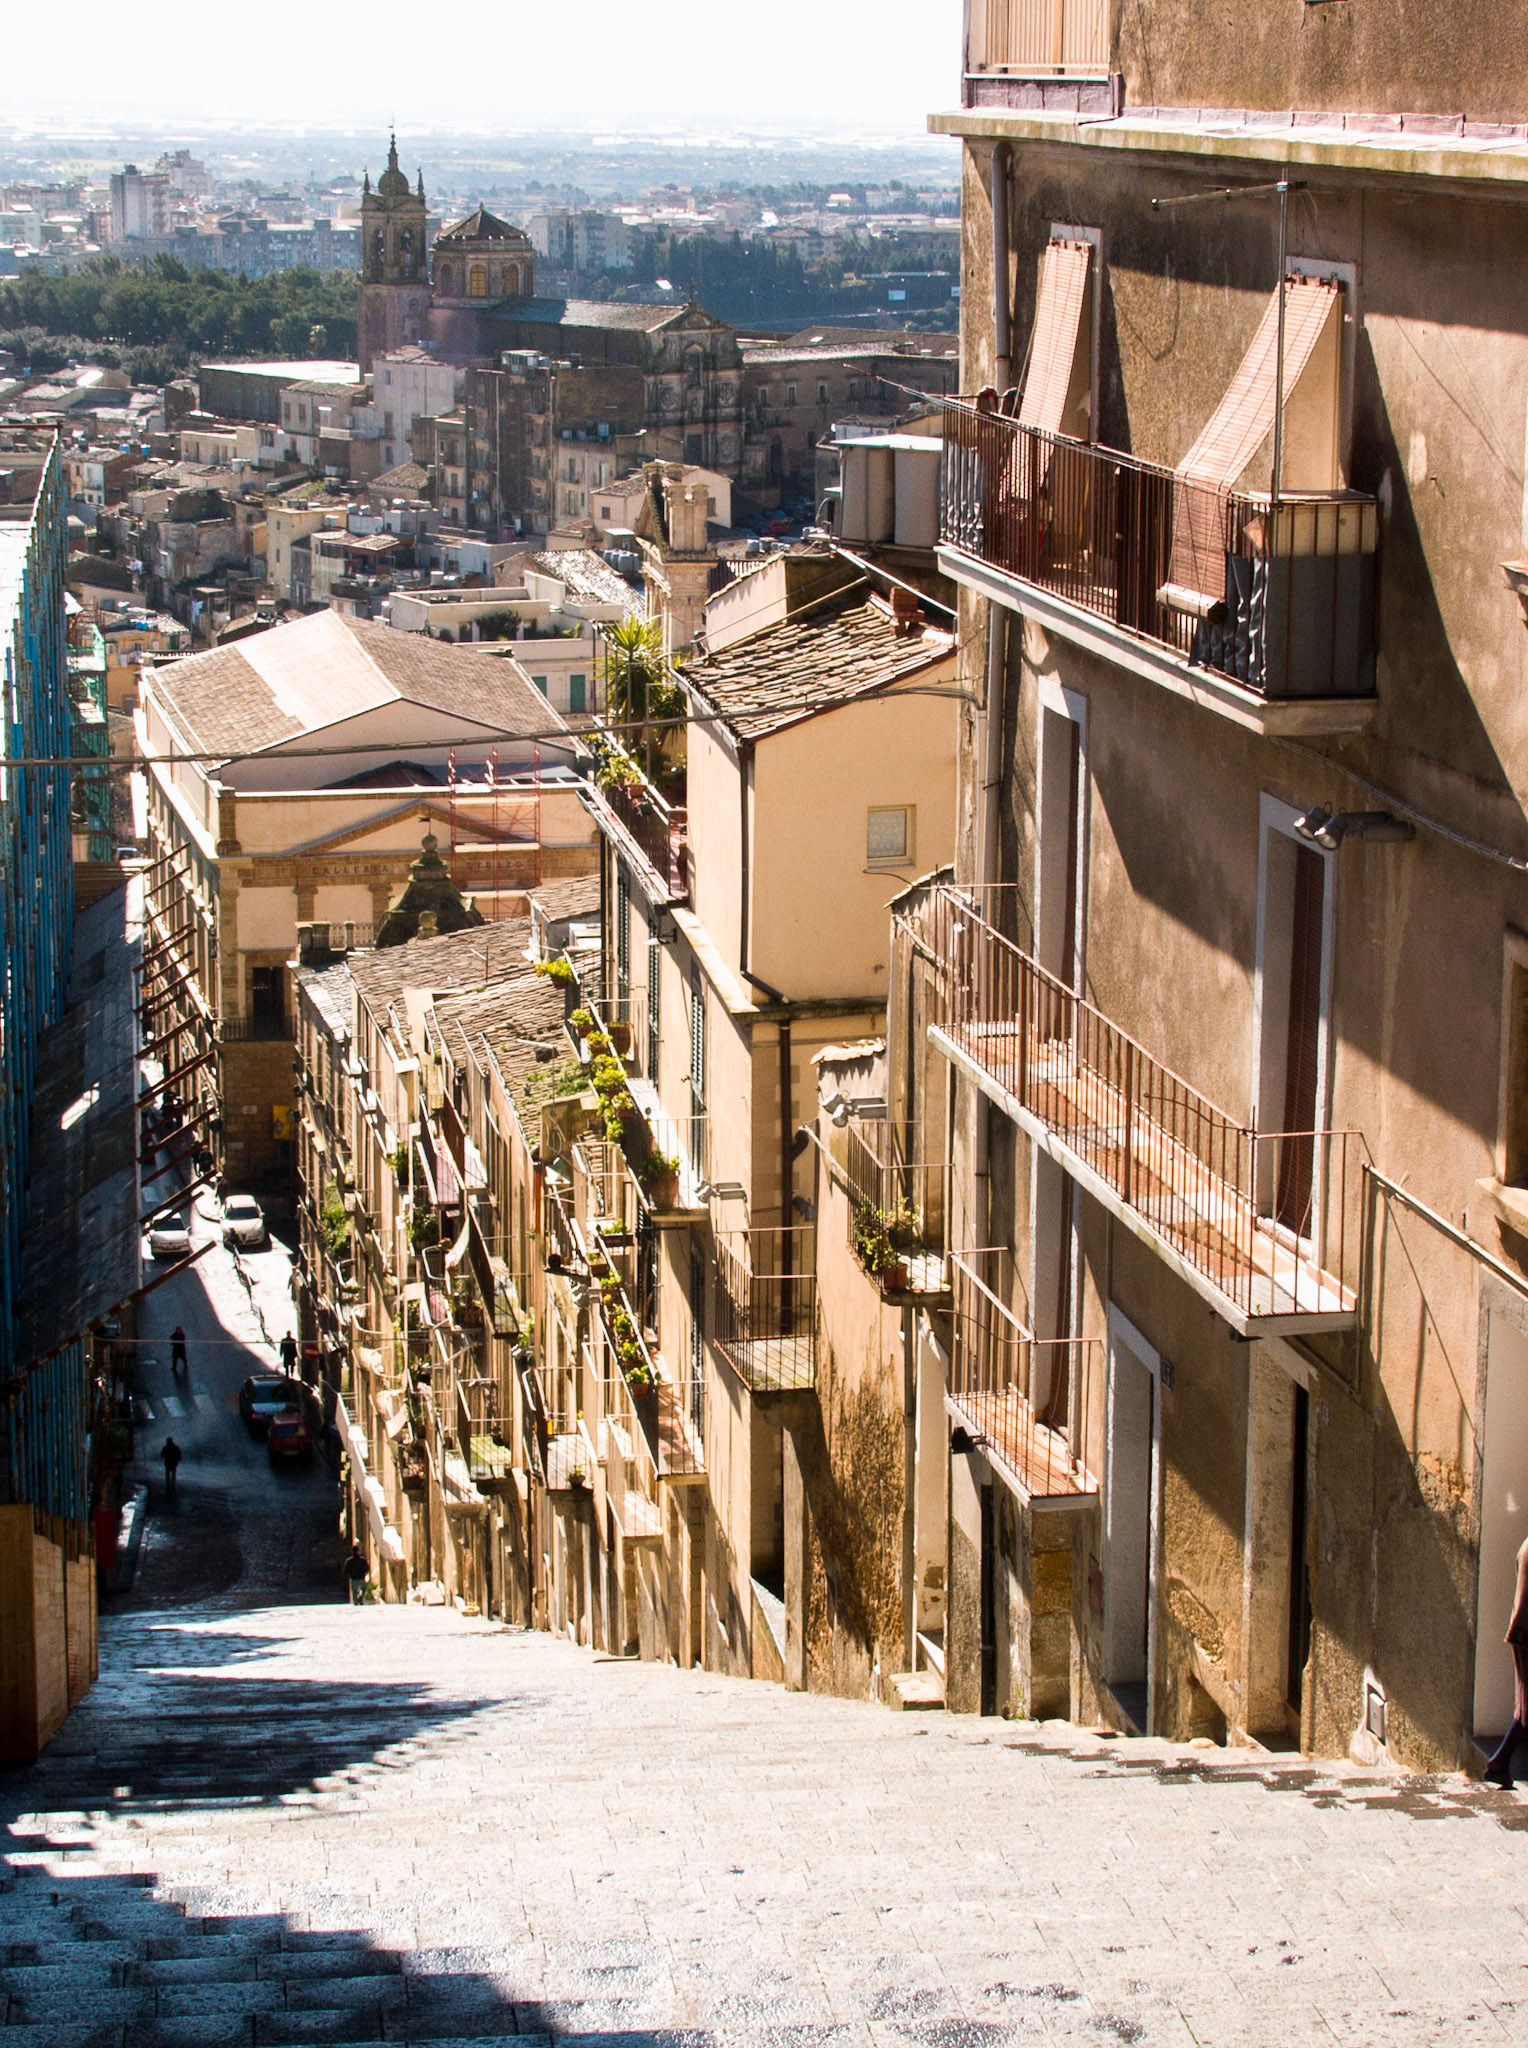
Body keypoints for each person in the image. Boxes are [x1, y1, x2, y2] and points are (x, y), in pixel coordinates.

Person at [1486, 1535, 1528, 1787]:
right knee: (1525, 1709)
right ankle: (1499, 1762)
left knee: (1524, 1707)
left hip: (1520, 1632)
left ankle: (1499, 1764)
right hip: (1525, 1635)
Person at [161, 1435, 183, 1501]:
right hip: (174, 1463)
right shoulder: (176, 1447)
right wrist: (178, 1459)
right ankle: (173, 1486)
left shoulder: (166, 1448)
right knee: (173, 1475)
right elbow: (179, 1454)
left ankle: (168, 1487)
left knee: (168, 1475)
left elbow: (162, 1454)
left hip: (168, 1463)